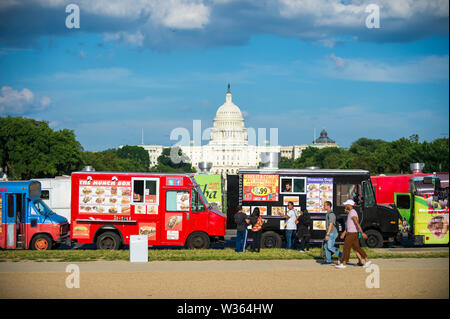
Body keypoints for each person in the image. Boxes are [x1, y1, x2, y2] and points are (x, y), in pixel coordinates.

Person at [335, 199, 372, 269]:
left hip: (352, 234)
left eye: (346, 205)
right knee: (357, 248)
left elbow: (357, 223)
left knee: (346, 247)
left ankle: (344, 263)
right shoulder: (351, 212)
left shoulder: (352, 212)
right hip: (353, 233)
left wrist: (362, 232)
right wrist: (344, 233)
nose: (345, 206)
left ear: (349, 205)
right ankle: (367, 261)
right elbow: (350, 225)